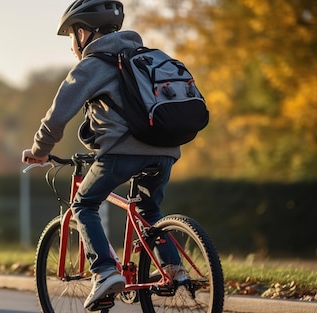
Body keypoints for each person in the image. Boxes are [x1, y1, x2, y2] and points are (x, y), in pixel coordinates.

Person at [22, 0, 188, 310]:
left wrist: (39, 151)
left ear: (83, 32)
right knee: (148, 210)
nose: (72, 45)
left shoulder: (94, 64)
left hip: (122, 151)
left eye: (72, 35)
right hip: (167, 150)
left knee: (83, 204)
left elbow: (58, 116)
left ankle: (105, 273)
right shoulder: (149, 57)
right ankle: (173, 269)